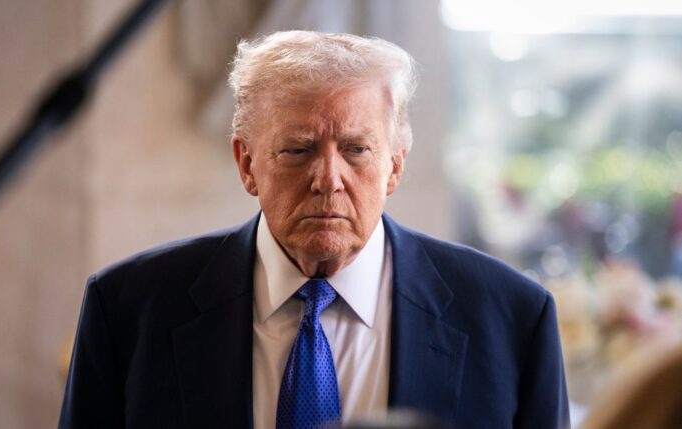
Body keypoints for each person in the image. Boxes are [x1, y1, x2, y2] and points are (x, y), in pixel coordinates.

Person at [59, 31, 569, 429]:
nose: (328, 179)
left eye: (356, 149)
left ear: (394, 166)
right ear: (247, 163)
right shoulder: (129, 308)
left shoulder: (511, 318)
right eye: (298, 149)